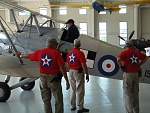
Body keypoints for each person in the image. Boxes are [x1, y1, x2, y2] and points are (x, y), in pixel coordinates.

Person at [16, 38, 70, 113]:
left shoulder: (39, 52)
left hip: (43, 79)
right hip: (53, 79)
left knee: (46, 101)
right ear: (53, 44)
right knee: (58, 101)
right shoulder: (56, 53)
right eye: (56, 44)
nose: (57, 46)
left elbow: (28, 56)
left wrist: (20, 56)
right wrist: (67, 80)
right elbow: (62, 67)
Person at [117, 40, 148, 113]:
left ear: (126, 45)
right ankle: (136, 111)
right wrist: (139, 64)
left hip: (128, 74)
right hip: (136, 74)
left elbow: (118, 59)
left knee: (128, 94)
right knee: (135, 94)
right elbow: (146, 58)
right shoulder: (137, 52)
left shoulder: (124, 52)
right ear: (132, 45)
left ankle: (129, 111)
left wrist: (121, 67)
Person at [66, 39, 89, 113]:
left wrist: (70, 70)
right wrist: (87, 74)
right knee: (80, 89)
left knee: (73, 89)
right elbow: (83, 64)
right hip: (78, 72)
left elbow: (67, 63)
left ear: (73, 45)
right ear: (80, 45)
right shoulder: (80, 53)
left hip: (71, 71)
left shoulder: (69, 53)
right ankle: (80, 107)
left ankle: (72, 105)